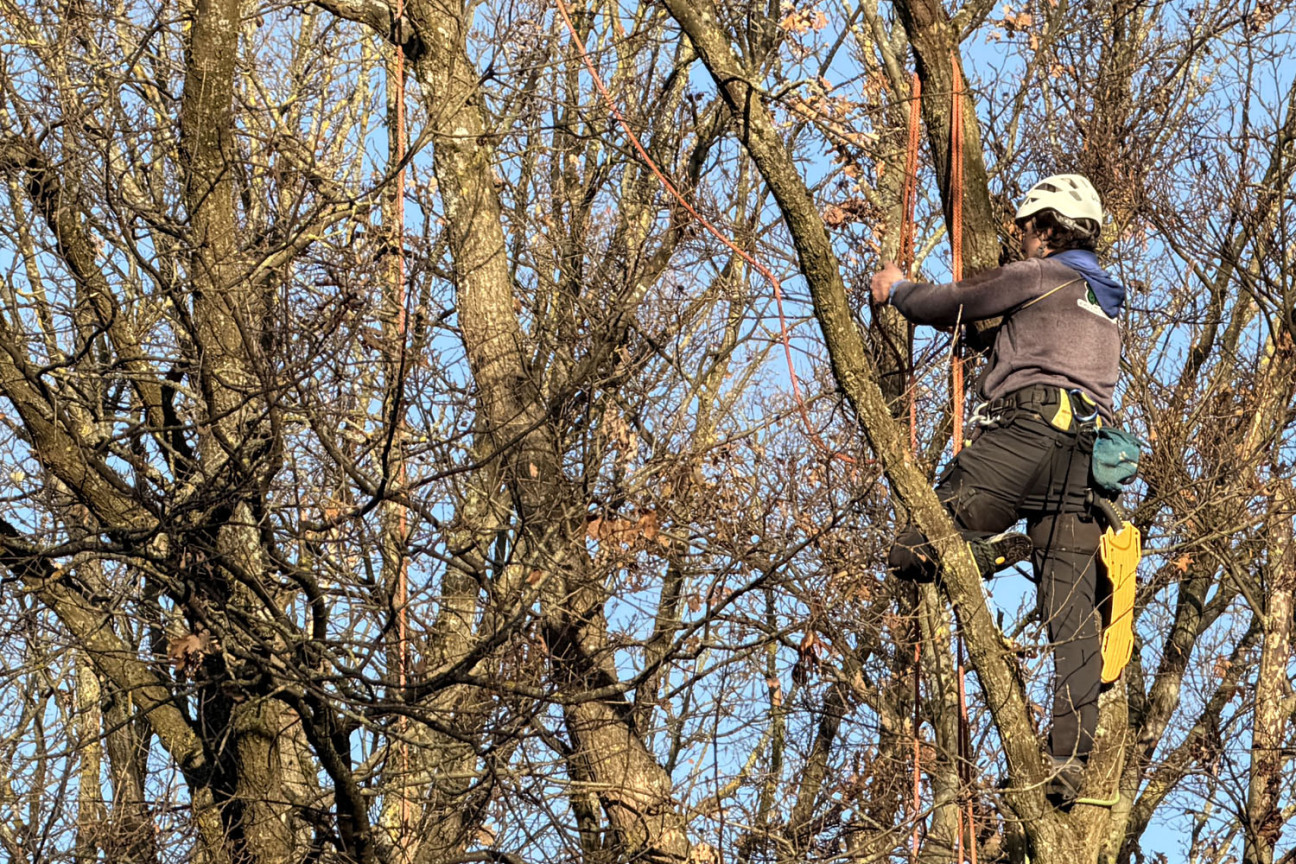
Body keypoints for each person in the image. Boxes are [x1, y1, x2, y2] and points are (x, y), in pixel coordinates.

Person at [870, 174, 1126, 804]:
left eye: (1028, 229)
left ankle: (991, 551)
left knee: (914, 547)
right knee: (1074, 621)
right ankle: (1067, 766)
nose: (1022, 241)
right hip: (1083, 463)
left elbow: (953, 300)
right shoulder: (1105, 301)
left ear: (1047, 228)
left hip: (1023, 436)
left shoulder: (1039, 277)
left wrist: (898, 289)